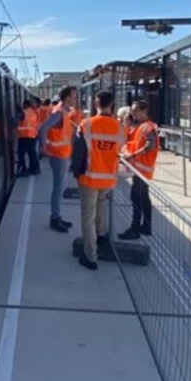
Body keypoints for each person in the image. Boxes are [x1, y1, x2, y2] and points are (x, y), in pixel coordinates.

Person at [75, 90, 125, 270]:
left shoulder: (86, 124)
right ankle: (102, 234)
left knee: (87, 216)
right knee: (101, 206)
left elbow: (78, 153)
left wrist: (76, 174)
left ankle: (91, 256)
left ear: (96, 104)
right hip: (108, 179)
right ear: (112, 104)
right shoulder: (120, 128)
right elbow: (118, 150)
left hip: (89, 178)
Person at [38, 85, 78, 233]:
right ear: (67, 98)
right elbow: (42, 129)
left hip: (62, 154)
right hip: (58, 155)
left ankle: (57, 215)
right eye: (73, 97)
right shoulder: (59, 113)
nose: (75, 99)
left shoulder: (63, 112)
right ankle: (54, 218)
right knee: (58, 187)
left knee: (60, 186)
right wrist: (44, 147)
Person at [120, 100, 158, 240]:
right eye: (132, 110)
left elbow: (150, 145)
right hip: (139, 168)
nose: (133, 113)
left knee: (136, 199)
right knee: (143, 198)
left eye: (136, 110)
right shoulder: (139, 127)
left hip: (142, 169)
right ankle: (146, 227)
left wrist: (133, 156)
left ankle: (135, 228)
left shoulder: (147, 127)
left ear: (144, 111)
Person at [16, 98, 40, 177]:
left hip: (24, 136)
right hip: (32, 135)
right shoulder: (33, 112)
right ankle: (35, 168)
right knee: (32, 153)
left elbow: (17, 119)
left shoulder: (25, 112)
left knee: (21, 154)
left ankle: (24, 170)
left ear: (26, 105)